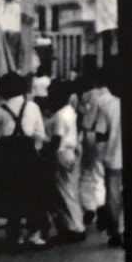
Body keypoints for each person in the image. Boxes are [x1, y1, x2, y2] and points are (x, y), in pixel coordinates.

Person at [0, 71, 50, 250]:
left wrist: (0, 140)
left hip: (8, 160)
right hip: (29, 158)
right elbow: (40, 134)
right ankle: (35, 235)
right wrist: (34, 147)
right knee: (33, 195)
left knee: (11, 195)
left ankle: (15, 235)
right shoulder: (33, 107)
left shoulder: (0, 110)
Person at [94, 68, 132, 248]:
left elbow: (100, 134)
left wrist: (101, 154)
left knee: (113, 198)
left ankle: (115, 232)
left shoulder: (107, 106)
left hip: (112, 158)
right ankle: (131, 230)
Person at [46, 80, 86, 243]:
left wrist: (46, 154)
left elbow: (56, 139)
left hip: (61, 153)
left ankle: (74, 227)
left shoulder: (60, 116)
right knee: (69, 191)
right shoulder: (70, 111)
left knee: (64, 193)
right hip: (70, 151)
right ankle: (72, 225)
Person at [78, 70, 108, 229]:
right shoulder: (112, 97)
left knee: (87, 172)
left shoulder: (91, 96)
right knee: (101, 173)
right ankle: (102, 204)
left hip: (92, 135)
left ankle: (90, 206)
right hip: (108, 138)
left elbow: (87, 122)